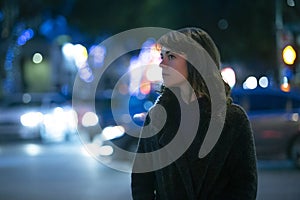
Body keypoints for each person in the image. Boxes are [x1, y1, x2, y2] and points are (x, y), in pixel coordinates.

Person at [131, 27, 257, 200]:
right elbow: (141, 182)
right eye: (162, 57)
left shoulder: (233, 120)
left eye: (171, 57)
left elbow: (245, 186)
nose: (162, 64)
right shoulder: (156, 118)